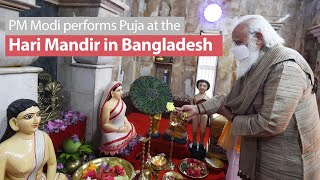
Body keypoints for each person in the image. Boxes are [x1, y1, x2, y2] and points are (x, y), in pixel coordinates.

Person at [176, 15, 320, 180]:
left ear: (258, 38)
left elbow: (271, 123)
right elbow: (231, 97)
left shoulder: (285, 67)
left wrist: (231, 117)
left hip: (286, 164)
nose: (234, 49)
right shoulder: (259, 64)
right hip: (263, 155)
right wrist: (197, 108)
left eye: (238, 42)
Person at [0, 99, 67, 180]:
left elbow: (52, 164)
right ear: (14, 122)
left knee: (62, 177)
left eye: (38, 114)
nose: (36, 120)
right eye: (29, 117)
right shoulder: (3, 150)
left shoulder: (43, 137)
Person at [99, 81, 137, 155]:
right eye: (118, 91)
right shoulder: (107, 106)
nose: (121, 92)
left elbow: (123, 116)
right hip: (112, 130)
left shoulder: (120, 101)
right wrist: (118, 130)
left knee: (132, 128)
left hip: (122, 126)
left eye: (121, 90)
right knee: (111, 142)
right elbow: (105, 125)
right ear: (112, 93)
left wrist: (127, 123)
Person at [190, 79, 211, 151]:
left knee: (203, 129)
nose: (202, 87)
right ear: (198, 87)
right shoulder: (194, 97)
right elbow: (191, 106)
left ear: (207, 88)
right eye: (200, 85)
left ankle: (201, 142)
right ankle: (194, 141)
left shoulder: (208, 99)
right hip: (195, 114)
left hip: (204, 115)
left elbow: (209, 109)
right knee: (194, 128)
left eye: (204, 86)